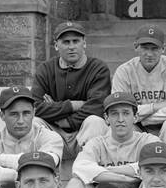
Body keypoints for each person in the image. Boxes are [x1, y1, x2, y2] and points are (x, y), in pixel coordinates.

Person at [67, 90, 151, 188]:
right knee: (75, 184)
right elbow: (79, 167)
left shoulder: (148, 140)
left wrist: (101, 171)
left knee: (153, 180)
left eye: (126, 113)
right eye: (114, 114)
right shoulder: (97, 143)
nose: (120, 119)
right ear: (106, 118)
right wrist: (124, 177)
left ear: (136, 117)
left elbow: (154, 166)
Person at [32, 19, 111, 162]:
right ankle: (43, 168)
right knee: (34, 122)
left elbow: (98, 106)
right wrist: (74, 105)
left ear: (84, 43)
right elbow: (35, 107)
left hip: (83, 132)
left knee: (95, 121)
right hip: (54, 133)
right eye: (66, 42)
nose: (71, 47)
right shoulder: (45, 69)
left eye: (76, 41)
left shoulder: (98, 68)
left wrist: (65, 119)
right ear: (56, 45)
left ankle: (88, 169)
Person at [111, 23, 166, 147]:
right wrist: (156, 106)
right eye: (145, 48)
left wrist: (142, 117)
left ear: (163, 48)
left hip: (164, 124)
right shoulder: (124, 71)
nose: (149, 53)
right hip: (137, 127)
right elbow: (120, 112)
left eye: (154, 48)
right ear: (136, 47)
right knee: (121, 129)